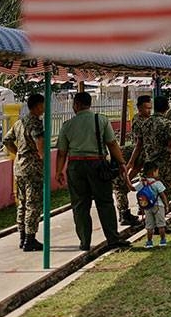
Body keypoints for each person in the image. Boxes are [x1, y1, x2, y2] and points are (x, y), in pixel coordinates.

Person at [55, 92, 131, 251]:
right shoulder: (101, 120)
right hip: (97, 164)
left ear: (76, 104)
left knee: (80, 205)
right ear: (89, 104)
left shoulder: (67, 125)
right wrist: (122, 163)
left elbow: (62, 152)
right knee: (105, 202)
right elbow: (112, 143)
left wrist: (59, 171)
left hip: (75, 167)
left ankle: (84, 241)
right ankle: (113, 239)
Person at [2, 93, 46, 252]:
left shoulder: (19, 123)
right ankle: (30, 238)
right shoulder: (35, 123)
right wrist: (42, 159)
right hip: (32, 167)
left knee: (21, 202)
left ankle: (22, 236)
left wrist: (19, 152)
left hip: (19, 167)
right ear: (38, 106)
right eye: (43, 105)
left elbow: (6, 140)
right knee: (33, 203)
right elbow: (39, 142)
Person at [129, 96, 171, 212]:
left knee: (151, 192)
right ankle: (162, 220)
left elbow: (139, 145)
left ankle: (149, 219)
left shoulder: (145, 123)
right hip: (166, 165)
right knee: (166, 192)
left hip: (150, 165)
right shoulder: (167, 123)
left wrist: (131, 162)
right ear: (166, 108)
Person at [134, 161, 169, 248]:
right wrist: (166, 205)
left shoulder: (142, 183)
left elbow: (132, 189)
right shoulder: (157, 183)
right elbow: (163, 195)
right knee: (161, 225)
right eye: (157, 171)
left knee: (149, 226)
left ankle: (149, 242)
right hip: (158, 206)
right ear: (153, 172)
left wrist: (127, 180)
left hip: (147, 207)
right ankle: (162, 241)